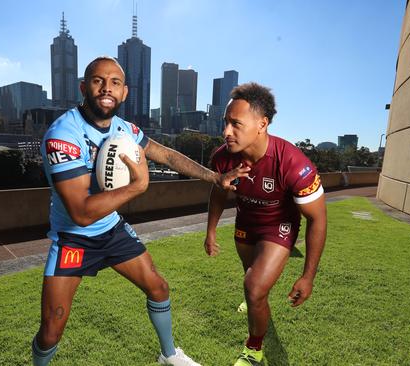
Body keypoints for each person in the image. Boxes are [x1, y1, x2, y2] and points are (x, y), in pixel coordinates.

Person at [32, 56, 248, 366]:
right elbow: (80, 213)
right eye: (98, 81)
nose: (107, 88)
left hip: (112, 229)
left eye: (115, 83)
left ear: (124, 93)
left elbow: (167, 156)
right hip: (74, 238)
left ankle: (169, 354)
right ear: (84, 87)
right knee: (52, 330)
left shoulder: (124, 129)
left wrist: (215, 177)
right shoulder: (63, 135)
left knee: (158, 287)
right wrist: (137, 186)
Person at [204, 83, 327, 366]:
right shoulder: (223, 157)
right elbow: (219, 192)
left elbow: (317, 218)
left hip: (279, 227)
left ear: (262, 124)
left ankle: (253, 350)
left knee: (255, 287)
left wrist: (308, 277)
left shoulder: (294, 163)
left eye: (236, 124)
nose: (226, 132)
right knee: (251, 279)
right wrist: (211, 230)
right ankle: (254, 300)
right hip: (245, 222)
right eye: (226, 123)